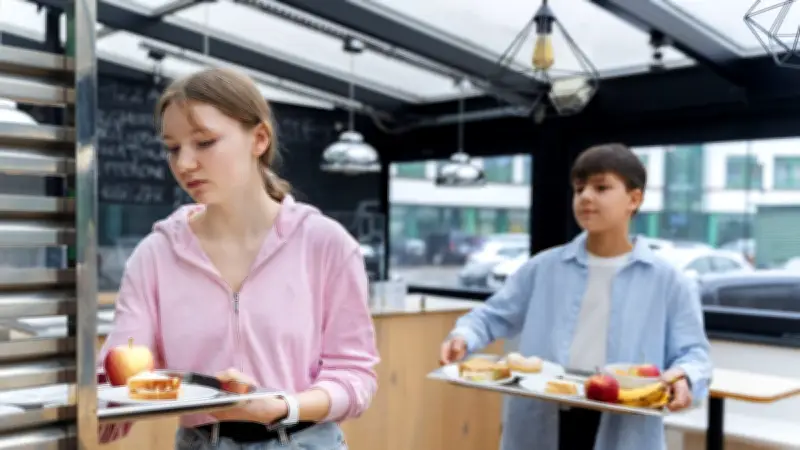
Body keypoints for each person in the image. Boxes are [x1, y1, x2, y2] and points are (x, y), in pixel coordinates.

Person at [98, 67, 379, 449]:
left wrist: (284, 405)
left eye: (205, 142)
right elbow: (123, 360)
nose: (183, 164)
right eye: (172, 147)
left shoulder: (326, 245)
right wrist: (110, 400)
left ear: (258, 138)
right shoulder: (155, 255)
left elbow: (355, 377)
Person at [439, 143, 712, 450]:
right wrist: (464, 335)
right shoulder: (544, 267)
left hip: (624, 424)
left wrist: (685, 377)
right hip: (545, 415)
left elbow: (694, 354)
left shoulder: (669, 280)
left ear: (634, 199)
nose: (586, 197)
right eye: (579, 188)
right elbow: (491, 316)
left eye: (602, 187)